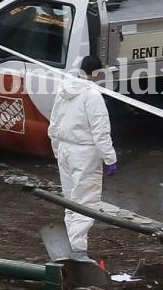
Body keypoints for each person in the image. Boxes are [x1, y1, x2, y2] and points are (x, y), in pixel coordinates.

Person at [48, 55, 118, 261]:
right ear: (96, 74)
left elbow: (53, 125)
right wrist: (110, 158)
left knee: (71, 200)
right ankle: (79, 251)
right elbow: (100, 130)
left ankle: (73, 244)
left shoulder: (63, 91)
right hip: (85, 153)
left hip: (65, 149)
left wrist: (56, 151)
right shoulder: (92, 95)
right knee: (85, 202)